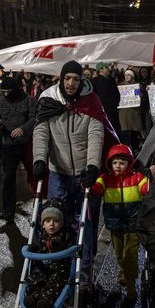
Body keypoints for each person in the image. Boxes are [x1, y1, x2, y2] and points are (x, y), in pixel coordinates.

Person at [32, 60, 119, 281]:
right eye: (67, 78)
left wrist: (92, 166)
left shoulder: (91, 102)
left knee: (85, 224)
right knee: (55, 221)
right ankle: (56, 271)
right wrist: (39, 159)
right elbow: (41, 132)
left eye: (76, 79)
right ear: (61, 79)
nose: (71, 83)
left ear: (82, 81)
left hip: (84, 174)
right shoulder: (49, 100)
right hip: (58, 173)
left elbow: (96, 135)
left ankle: (84, 274)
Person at [91, 144, 150, 300]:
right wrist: (90, 185)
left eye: (122, 162)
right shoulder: (105, 179)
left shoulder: (136, 178)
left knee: (130, 253)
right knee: (119, 254)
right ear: (110, 164)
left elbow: (146, 188)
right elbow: (96, 188)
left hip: (133, 223)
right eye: (115, 162)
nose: (118, 166)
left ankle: (131, 286)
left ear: (128, 164)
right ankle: (125, 271)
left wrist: (149, 181)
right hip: (114, 223)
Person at [0, 76, 37, 223]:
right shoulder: (0, 101)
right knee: (9, 178)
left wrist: (23, 129)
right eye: (3, 91)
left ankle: (40, 208)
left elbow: (34, 118)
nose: (5, 94)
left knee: (34, 174)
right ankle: (8, 211)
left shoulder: (29, 100)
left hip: (26, 144)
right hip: (8, 145)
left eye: (8, 91)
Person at [24, 204, 74, 308]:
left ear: (61, 224)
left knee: (55, 282)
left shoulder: (65, 237)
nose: (51, 224)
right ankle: (33, 296)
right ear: (42, 225)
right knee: (34, 277)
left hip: (59, 268)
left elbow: (72, 246)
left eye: (55, 221)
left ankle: (47, 299)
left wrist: (74, 248)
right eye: (47, 221)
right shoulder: (41, 237)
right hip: (43, 267)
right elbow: (35, 248)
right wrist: (31, 249)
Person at [118, 69, 144, 153]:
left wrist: (140, 94)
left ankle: (135, 150)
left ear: (132, 76)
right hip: (124, 114)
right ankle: (125, 150)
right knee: (125, 133)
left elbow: (139, 97)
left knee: (134, 134)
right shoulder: (121, 86)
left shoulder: (136, 86)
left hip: (134, 113)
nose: (127, 77)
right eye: (126, 75)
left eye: (128, 75)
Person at [92, 62, 121, 135]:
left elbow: (117, 94)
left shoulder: (111, 80)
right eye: (107, 68)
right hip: (102, 113)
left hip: (113, 111)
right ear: (101, 70)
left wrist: (115, 103)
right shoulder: (95, 81)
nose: (109, 69)